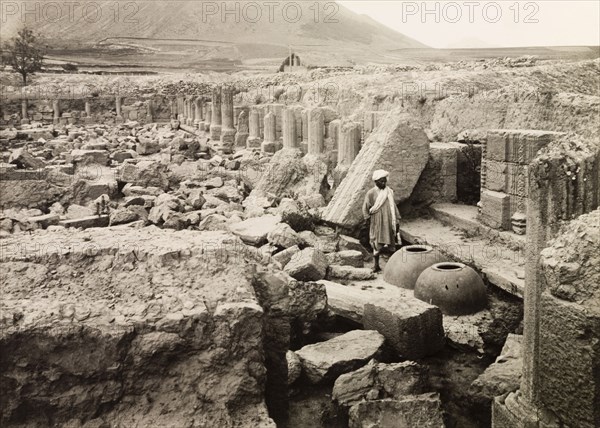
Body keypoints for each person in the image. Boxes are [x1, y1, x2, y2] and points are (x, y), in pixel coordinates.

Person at [362, 169, 401, 272]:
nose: (383, 183)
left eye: (384, 181)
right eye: (381, 181)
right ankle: (376, 265)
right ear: (376, 182)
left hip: (389, 221)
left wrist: (397, 220)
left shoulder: (389, 192)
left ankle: (392, 267)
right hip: (377, 222)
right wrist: (367, 220)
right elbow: (365, 207)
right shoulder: (371, 193)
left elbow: (394, 207)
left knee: (391, 241)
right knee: (376, 242)